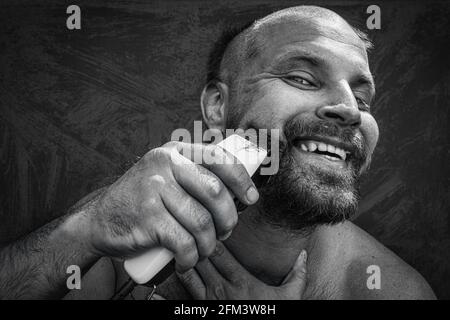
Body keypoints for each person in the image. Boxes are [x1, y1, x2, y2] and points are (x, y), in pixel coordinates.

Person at [0, 5, 436, 300]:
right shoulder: (117, 235)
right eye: (302, 78)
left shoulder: (385, 289)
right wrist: (83, 230)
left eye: (362, 100)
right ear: (217, 106)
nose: (348, 111)